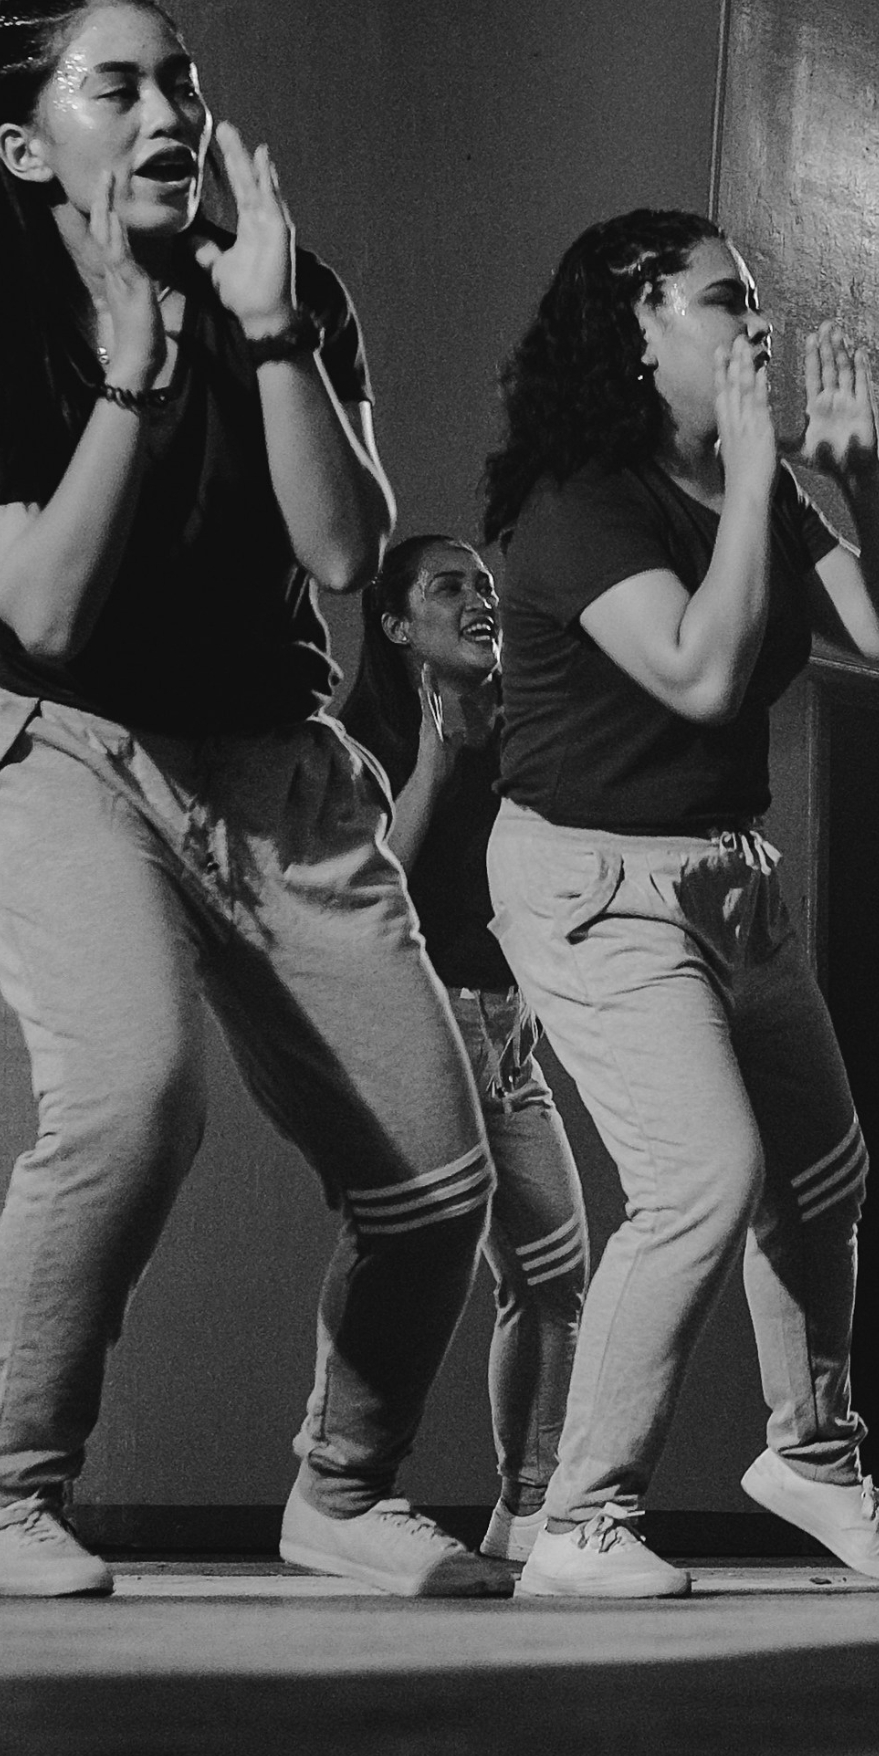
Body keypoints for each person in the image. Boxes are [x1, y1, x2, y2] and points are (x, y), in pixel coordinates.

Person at [0, 0, 507, 1602]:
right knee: (127, 1107)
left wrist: (265, 332)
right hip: (75, 755)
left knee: (434, 1179)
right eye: (115, 90)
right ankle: (13, 1506)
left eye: (178, 81)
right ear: (27, 147)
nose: (171, 114)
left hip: (281, 771)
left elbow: (343, 552)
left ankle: (341, 1492)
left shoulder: (291, 288)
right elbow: (40, 605)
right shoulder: (3, 324)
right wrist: (126, 379)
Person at [477, 208, 879, 1599]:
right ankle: (578, 1517)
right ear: (635, 330)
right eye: (723, 298)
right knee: (699, 1179)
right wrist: (753, 480)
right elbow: (694, 671)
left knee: (823, 1176)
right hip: (589, 873)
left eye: (755, 297)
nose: (758, 322)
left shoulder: (758, 483)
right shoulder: (578, 503)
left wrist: (855, 483)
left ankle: (812, 1452)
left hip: (727, 873)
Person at [339, 532, 592, 1563]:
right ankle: (346, 1492)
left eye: (486, 583)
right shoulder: (359, 736)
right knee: (404, 1262)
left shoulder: (521, 730)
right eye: (451, 587)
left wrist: (536, 978)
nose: (480, 598)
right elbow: (365, 890)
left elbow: (530, 878)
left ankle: (527, 1507)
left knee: (554, 1268)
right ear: (398, 623)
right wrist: (434, 759)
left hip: (506, 1027)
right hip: (417, 1022)